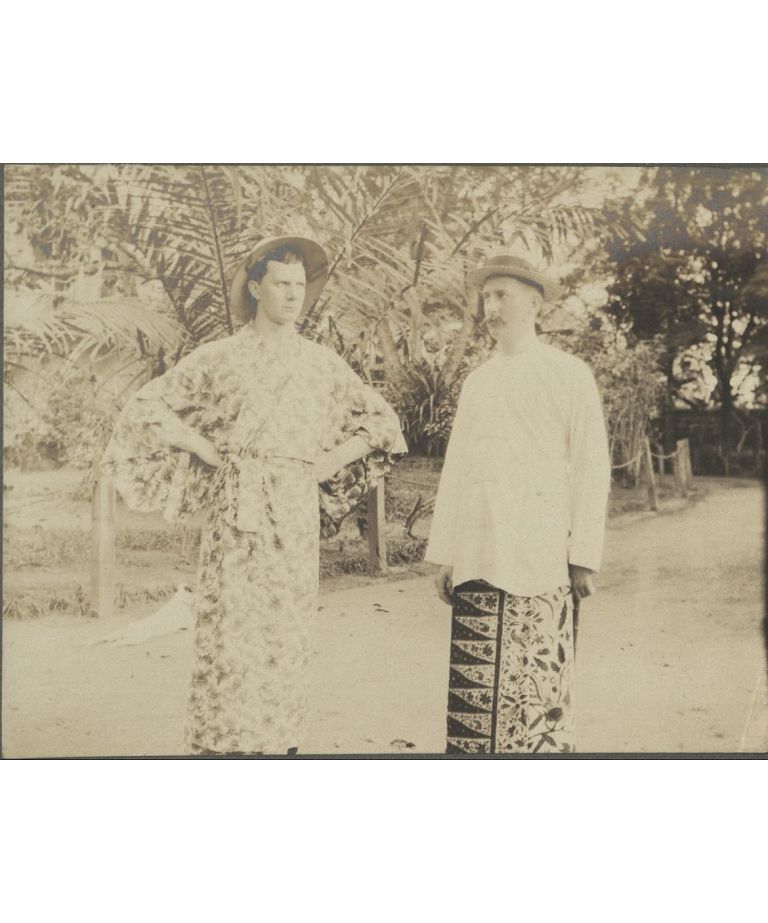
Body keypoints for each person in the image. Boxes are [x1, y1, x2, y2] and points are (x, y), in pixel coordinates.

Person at [102, 236, 407, 755]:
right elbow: (146, 407)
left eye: (299, 285)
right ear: (256, 288)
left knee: (285, 631)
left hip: (294, 512)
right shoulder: (220, 358)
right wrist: (200, 445)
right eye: (281, 283)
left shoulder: (321, 364)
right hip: (236, 510)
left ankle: (278, 745)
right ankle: (222, 746)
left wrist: (332, 460)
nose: (292, 294)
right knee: (230, 630)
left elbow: (382, 422)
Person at [425, 252, 610, 754]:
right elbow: (457, 471)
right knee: (475, 696)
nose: (491, 307)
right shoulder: (478, 380)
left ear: (534, 304)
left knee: (538, 689)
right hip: (479, 555)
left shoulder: (568, 374)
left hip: (540, 558)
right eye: (486, 296)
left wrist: (582, 555)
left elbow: (592, 467)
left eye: (502, 295)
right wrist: (445, 554)